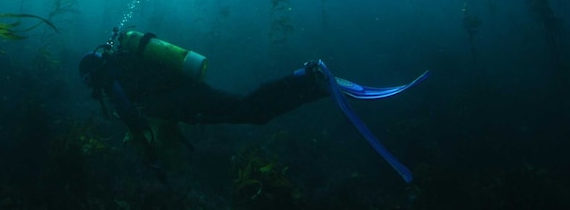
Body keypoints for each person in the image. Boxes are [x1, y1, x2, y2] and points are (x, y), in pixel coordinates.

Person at [79, 28, 429, 183]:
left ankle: (308, 77)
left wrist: (149, 153)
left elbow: (135, 119)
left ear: (91, 73)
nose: (90, 87)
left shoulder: (111, 79)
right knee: (252, 112)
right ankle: (312, 83)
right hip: (189, 97)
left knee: (252, 110)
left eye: (87, 81)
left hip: (191, 101)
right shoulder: (121, 66)